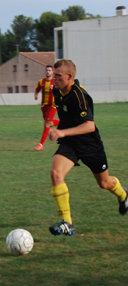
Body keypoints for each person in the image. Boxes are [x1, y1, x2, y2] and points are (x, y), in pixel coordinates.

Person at [47, 59, 128, 236]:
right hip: (71, 144)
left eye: (58, 76)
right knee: (55, 173)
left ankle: (124, 195)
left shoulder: (80, 95)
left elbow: (89, 126)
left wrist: (62, 132)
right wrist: (55, 126)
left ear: (69, 77)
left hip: (90, 145)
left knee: (104, 183)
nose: (54, 79)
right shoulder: (57, 91)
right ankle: (67, 223)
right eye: (54, 75)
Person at [34, 65, 60, 151]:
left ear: (52, 72)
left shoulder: (56, 82)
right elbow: (37, 89)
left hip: (52, 106)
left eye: (49, 70)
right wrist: (36, 94)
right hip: (44, 106)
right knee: (47, 124)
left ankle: (41, 144)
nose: (48, 71)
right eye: (46, 70)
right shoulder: (41, 81)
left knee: (47, 124)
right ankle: (63, 122)